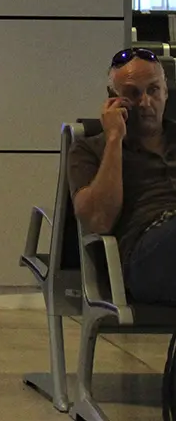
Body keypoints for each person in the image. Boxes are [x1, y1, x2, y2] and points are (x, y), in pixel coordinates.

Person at [70, 48, 176, 305]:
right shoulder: (91, 149)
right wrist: (115, 138)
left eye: (153, 90)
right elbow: (98, 220)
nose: (145, 103)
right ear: (113, 100)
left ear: (166, 92)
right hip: (146, 255)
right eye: (133, 93)